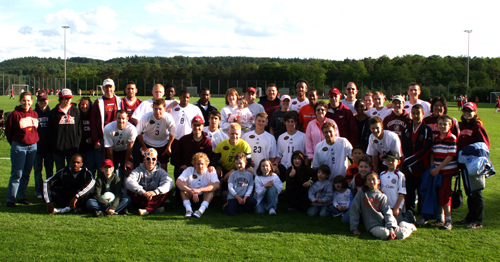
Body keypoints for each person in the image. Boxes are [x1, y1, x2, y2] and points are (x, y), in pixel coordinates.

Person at [350, 172, 417, 240]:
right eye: (369, 180)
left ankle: (408, 227)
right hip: (372, 225)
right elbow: (354, 209)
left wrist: (391, 228)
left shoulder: (382, 197)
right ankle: (398, 227)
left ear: (378, 181)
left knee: (401, 235)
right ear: (366, 183)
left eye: (373, 179)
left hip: (385, 223)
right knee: (385, 234)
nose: (371, 182)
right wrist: (354, 228)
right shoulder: (362, 193)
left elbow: (387, 212)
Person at [457, 102, 490, 229]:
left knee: (476, 192)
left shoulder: (477, 127)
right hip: (464, 164)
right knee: (469, 192)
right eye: (465, 110)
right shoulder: (463, 125)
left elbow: (484, 147)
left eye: (469, 111)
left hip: (475, 165)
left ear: (475, 112)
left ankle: (478, 220)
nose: (466, 113)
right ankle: (470, 217)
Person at [5, 91, 39, 207]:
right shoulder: (15, 114)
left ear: (32, 101)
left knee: (26, 173)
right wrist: (16, 143)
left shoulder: (34, 114)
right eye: (24, 100)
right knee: (17, 173)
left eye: (28, 100)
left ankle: (22, 197)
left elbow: (35, 130)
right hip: (19, 146)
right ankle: (11, 198)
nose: (26, 102)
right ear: (20, 101)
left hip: (32, 146)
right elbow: (8, 132)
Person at [172, 116, 213, 204]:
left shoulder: (207, 142)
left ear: (202, 126)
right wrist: (180, 165)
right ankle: (180, 199)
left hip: (201, 168)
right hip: (187, 167)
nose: (197, 128)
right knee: (178, 172)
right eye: (195, 125)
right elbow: (176, 154)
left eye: (199, 125)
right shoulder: (184, 139)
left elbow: (208, 158)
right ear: (191, 126)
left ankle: (204, 198)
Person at [401, 104, 432, 220]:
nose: (415, 115)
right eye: (413, 113)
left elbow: (426, 149)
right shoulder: (407, 129)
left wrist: (410, 161)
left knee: (422, 191)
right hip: (409, 169)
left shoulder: (427, 130)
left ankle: (422, 213)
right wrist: (408, 162)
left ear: (423, 114)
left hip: (422, 167)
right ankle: (410, 212)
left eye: (418, 113)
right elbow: (403, 147)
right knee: (409, 191)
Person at [430, 115, 459, 230]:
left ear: (450, 125)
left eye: (445, 124)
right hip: (437, 172)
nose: (442, 126)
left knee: (445, 195)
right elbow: (432, 153)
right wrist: (433, 166)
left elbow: (450, 156)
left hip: (446, 171)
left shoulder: (452, 138)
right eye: (440, 124)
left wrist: (438, 168)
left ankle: (449, 220)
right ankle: (440, 218)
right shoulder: (436, 138)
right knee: (438, 194)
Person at [126, 148, 174, 216]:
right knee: (130, 190)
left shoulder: (160, 171)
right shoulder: (138, 170)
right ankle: (155, 208)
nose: (151, 161)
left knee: (167, 190)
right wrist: (142, 192)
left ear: (156, 160)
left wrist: (155, 192)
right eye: (148, 159)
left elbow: (170, 182)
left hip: (154, 196)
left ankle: (148, 210)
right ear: (144, 160)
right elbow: (129, 181)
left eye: (153, 159)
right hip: (142, 196)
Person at [212, 123, 252, 195]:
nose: (234, 136)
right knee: (213, 170)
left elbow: (248, 163)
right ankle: (216, 193)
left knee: (250, 170)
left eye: (236, 134)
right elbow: (214, 159)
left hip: (239, 169)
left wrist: (233, 171)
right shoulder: (221, 145)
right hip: (225, 169)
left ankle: (250, 190)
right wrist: (218, 167)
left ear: (240, 134)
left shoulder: (245, 145)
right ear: (228, 133)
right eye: (232, 134)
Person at [136, 99, 176, 170]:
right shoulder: (146, 117)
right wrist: (144, 146)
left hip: (163, 144)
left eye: (160, 109)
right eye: (155, 109)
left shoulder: (168, 117)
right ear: (153, 108)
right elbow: (138, 132)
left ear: (164, 109)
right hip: (148, 143)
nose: (158, 112)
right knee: (147, 167)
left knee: (163, 168)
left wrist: (169, 146)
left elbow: (173, 132)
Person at [176, 152, 220, 218]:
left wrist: (200, 190)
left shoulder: (210, 171)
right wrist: (191, 191)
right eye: (198, 164)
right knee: (183, 186)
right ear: (194, 164)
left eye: (202, 164)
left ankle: (201, 210)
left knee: (211, 186)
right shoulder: (189, 169)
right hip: (191, 195)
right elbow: (178, 182)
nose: (200, 166)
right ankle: (188, 210)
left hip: (204, 196)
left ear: (206, 164)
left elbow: (217, 185)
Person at [48, 89, 81, 171]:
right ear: (61, 99)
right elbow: (50, 131)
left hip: (72, 148)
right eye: (65, 98)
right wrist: (54, 144)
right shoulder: (54, 113)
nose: (68, 100)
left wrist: (76, 144)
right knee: (60, 171)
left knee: (72, 170)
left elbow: (79, 130)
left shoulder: (76, 111)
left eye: (69, 98)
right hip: (58, 148)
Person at [90, 79, 122, 164]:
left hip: (118, 138)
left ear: (114, 88)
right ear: (103, 89)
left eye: (110, 87)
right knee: (103, 164)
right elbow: (93, 122)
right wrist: (96, 140)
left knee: (117, 164)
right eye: (106, 87)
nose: (109, 90)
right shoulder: (98, 102)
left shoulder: (119, 101)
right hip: (103, 139)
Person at [379, 151, 412, 223]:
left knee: (399, 223)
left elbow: (402, 192)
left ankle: (409, 216)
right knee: (385, 222)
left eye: (393, 160)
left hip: (395, 205)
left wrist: (397, 207)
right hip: (385, 205)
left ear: (398, 162)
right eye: (388, 160)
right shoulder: (382, 174)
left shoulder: (400, 175)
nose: (390, 162)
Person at [103, 110, 137, 179]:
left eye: (123, 118)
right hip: (113, 150)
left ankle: (126, 188)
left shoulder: (132, 129)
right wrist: (111, 165)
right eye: (119, 118)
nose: (121, 121)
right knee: (109, 170)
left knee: (128, 169)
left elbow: (130, 147)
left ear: (127, 119)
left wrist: (127, 161)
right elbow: (109, 149)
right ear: (115, 118)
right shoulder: (108, 128)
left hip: (125, 151)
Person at [275, 111, 308, 180]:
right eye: (288, 121)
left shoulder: (303, 136)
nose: (290, 124)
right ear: (285, 122)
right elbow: (279, 155)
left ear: (295, 123)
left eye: (292, 121)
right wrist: (275, 162)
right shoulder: (281, 137)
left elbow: (306, 155)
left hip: (298, 166)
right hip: (284, 166)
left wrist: (304, 168)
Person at [34, 91, 53, 198]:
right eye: (41, 100)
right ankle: (38, 191)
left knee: (49, 171)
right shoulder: (34, 113)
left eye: (44, 100)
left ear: (48, 100)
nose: (43, 102)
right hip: (37, 147)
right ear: (37, 101)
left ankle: (48, 190)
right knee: (37, 170)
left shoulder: (52, 113)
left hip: (49, 148)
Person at [78, 97, 99, 176]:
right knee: (80, 168)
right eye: (82, 104)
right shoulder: (77, 115)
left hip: (90, 147)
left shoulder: (92, 116)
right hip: (80, 147)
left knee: (90, 168)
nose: (84, 106)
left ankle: (90, 185)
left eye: (87, 104)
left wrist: (93, 138)